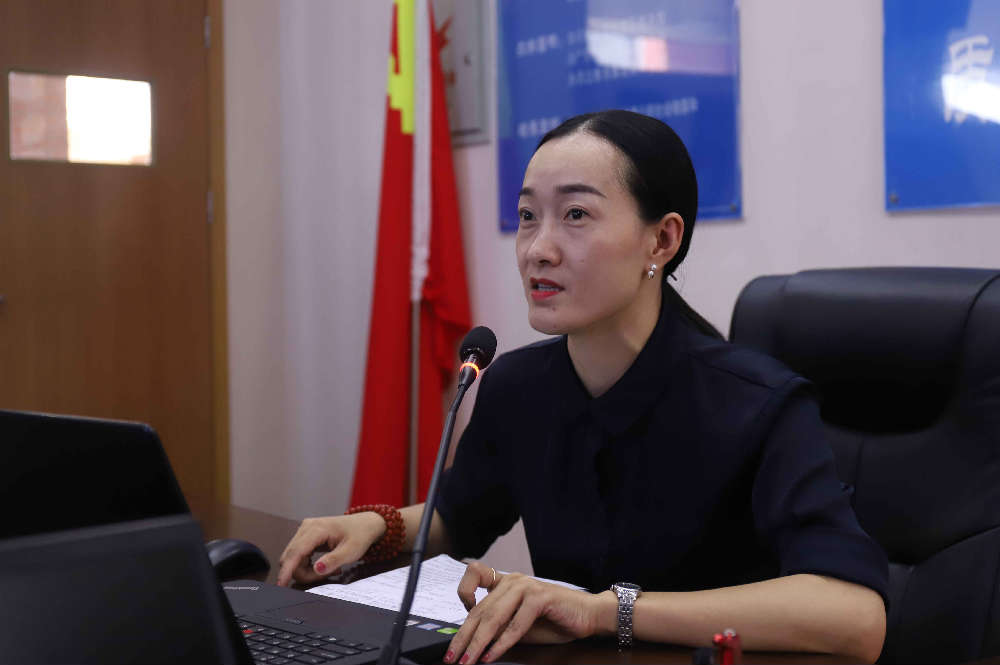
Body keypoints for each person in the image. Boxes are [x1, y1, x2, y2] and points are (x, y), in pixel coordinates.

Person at [277, 110, 889, 664]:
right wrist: (379, 527)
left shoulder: (757, 402)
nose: (537, 250)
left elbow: (855, 616)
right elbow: (460, 515)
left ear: (662, 240)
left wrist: (604, 612)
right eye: (527, 216)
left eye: (575, 215)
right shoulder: (517, 385)